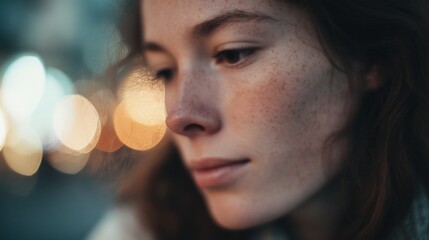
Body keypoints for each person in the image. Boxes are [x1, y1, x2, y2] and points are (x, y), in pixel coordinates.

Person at [89, 0, 429, 239]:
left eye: (232, 54)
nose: (177, 116)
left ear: (371, 56)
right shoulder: (149, 227)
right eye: (165, 72)